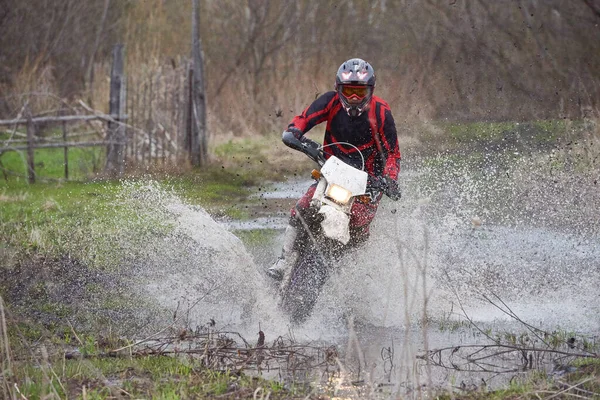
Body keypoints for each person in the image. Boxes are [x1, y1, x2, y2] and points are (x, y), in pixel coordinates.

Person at [267, 58, 401, 281]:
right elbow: (302, 120)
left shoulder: (381, 112)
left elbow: (393, 154)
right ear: (339, 89)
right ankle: (283, 259)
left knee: (359, 229)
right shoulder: (330, 102)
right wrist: (295, 133)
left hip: (369, 182)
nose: (355, 98)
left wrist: (390, 179)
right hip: (332, 172)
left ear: (371, 90)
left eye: (360, 91)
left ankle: (350, 280)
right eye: (349, 91)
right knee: (303, 205)